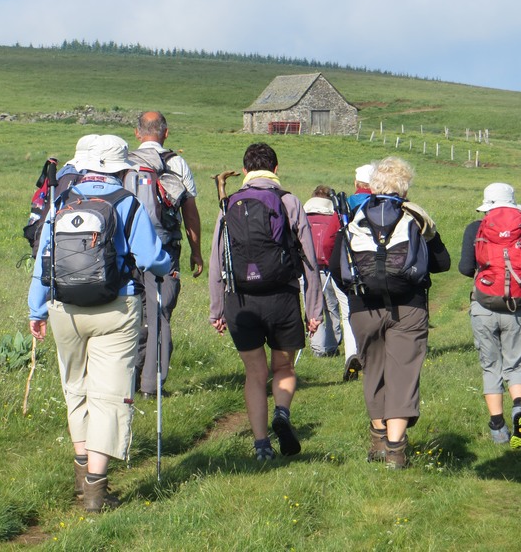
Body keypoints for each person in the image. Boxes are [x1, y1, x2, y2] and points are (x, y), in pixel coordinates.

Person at [28, 134, 171, 512]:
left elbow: (43, 258)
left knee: (75, 388)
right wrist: (166, 265)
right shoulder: (126, 203)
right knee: (108, 396)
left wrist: (36, 310)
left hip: (64, 308)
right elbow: (153, 258)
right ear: (118, 168)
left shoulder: (61, 201)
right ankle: (95, 489)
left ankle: (80, 469)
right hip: (116, 308)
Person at [330, 156, 451, 469]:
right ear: (405, 188)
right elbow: (443, 263)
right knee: (403, 373)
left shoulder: (353, 216)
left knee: (373, 369)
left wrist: (357, 300)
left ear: (372, 186)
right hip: (408, 307)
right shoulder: (415, 218)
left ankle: (377, 435)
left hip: (362, 307)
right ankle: (395, 450)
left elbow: (336, 267)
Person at [209, 143, 323, 460]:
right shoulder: (288, 201)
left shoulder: (228, 202)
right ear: (275, 169)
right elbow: (309, 259)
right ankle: (282, 414)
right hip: (282, 297)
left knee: (255, 374)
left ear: (244, 172)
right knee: (283, 367)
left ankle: (261, 446)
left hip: (240, 301)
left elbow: (218, 260)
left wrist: (216, 309)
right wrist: (314, 310)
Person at [459, 183, 521, 448]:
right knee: (517, 363)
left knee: (490, 365)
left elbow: (464, 268)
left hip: (484, 305)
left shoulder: (476, 227)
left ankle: (497, 426)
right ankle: (519, 407)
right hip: (517, 306)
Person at [131, 111, 203, 399]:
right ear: (166, 133)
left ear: (137, 133)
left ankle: (129, 380)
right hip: (164, 249)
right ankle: (152, 387)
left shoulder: (125, 162)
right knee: (159, 313)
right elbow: (190, 213)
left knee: (132, 312)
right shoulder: (176, 163)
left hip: (128, 250)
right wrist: (196, 252)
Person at [303, 185, 356, 362]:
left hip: (307, 269)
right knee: (332, 307)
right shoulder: (333, 217)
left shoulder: (303, 215)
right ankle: (333, 344)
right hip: (329, 268)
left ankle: (318, 347)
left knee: (313, 307)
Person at [340, 163, 374, 381]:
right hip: (378, 263)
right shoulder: (383, 204)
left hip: (351, 262)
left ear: (356, 183)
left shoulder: (347, 204)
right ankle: (373, 352)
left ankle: (353, 352)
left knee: (348, 311)